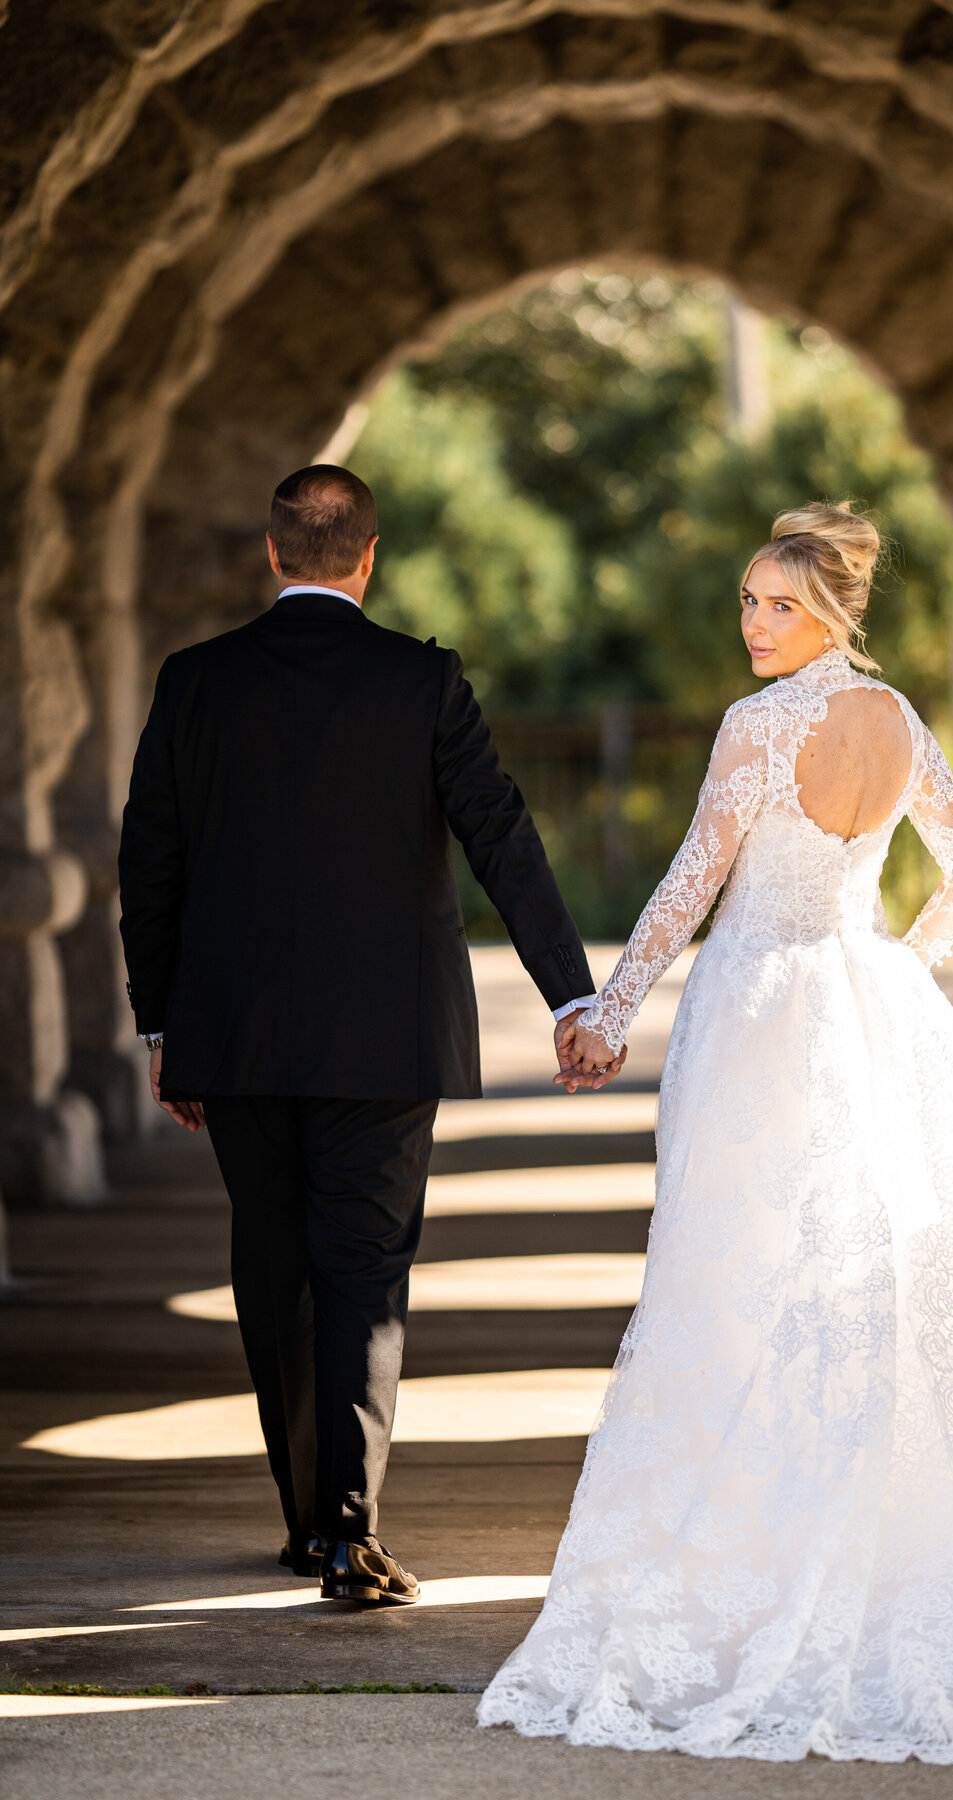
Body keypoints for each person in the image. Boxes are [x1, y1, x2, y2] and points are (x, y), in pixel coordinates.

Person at [480, 504, 953, 1765]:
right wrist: (897, 975)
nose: (754, 624)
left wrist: (607, 1013)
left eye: (778, 605)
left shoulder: (757, 730)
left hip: (759, 1016)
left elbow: (692, 886)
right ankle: (879, 1542)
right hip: (863, 1007)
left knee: (740, 1282)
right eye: (749, 601)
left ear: (830, 613)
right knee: (868, 1276)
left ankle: (766, 1566)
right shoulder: (902, 720)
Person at [118, 465, 601, 1606]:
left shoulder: (196, 683)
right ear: (367, 557)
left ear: (275, 554)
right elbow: (502, 837)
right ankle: (347, 1534)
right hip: (385, 1040)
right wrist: (571, 995)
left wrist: (161, 1022)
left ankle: (307, 1523)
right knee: (364, 1275)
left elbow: (151, 862)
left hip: (233, 1039)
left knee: (273, 1271)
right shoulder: (421, 680)